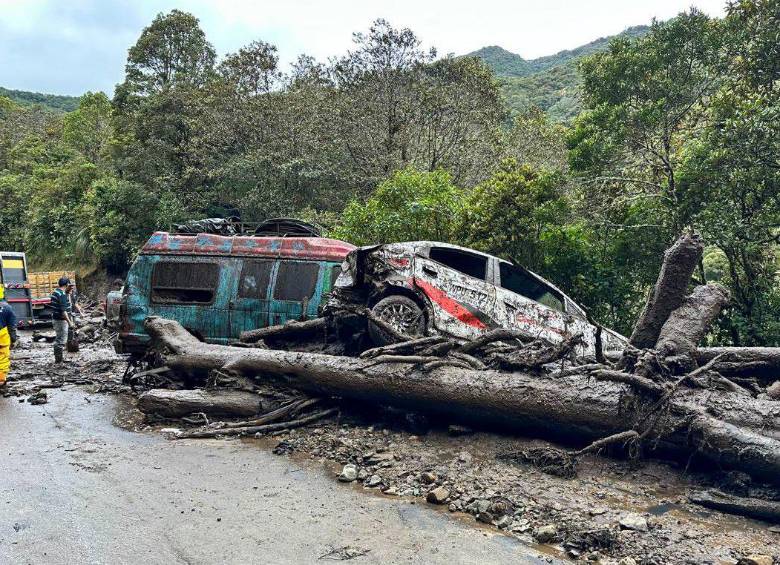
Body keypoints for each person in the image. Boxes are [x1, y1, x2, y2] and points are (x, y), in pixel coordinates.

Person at [50, 277, 75, 364]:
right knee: (61, 340)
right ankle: (59, 361)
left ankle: (59, 359)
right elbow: (64, 311)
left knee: (60, 338)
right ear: (67, 284)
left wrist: (68, 292)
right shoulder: (62, 295)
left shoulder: (55, 292)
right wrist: (70, 322)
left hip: (56, 319)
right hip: (61, 321)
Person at [0, 284, 19, 386]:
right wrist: (13, 339)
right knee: (2, 358)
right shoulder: (7, 307)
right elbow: (12, 327)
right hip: (2, 338)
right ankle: (1, 380)